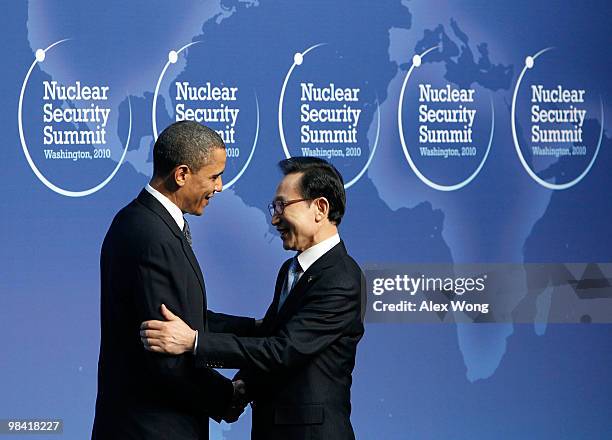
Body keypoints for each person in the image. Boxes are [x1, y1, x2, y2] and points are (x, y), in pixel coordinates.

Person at [140, 157, 366, 439]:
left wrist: (193, 342)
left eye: (282, 206)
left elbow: (281, 351)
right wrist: (237, 388)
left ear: (320, 208)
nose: (274, 218)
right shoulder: (291, 270)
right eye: (274, 207)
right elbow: (266, 334)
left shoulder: (340, 278)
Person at [92, 121, 247, 440]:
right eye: (214, 176)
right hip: (151, 429)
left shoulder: (140, 221)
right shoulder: (152, 236)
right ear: (182, 175)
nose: (219, 187)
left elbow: (183, 322)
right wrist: (225, 397)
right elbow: (165, 351)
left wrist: (258, 330)